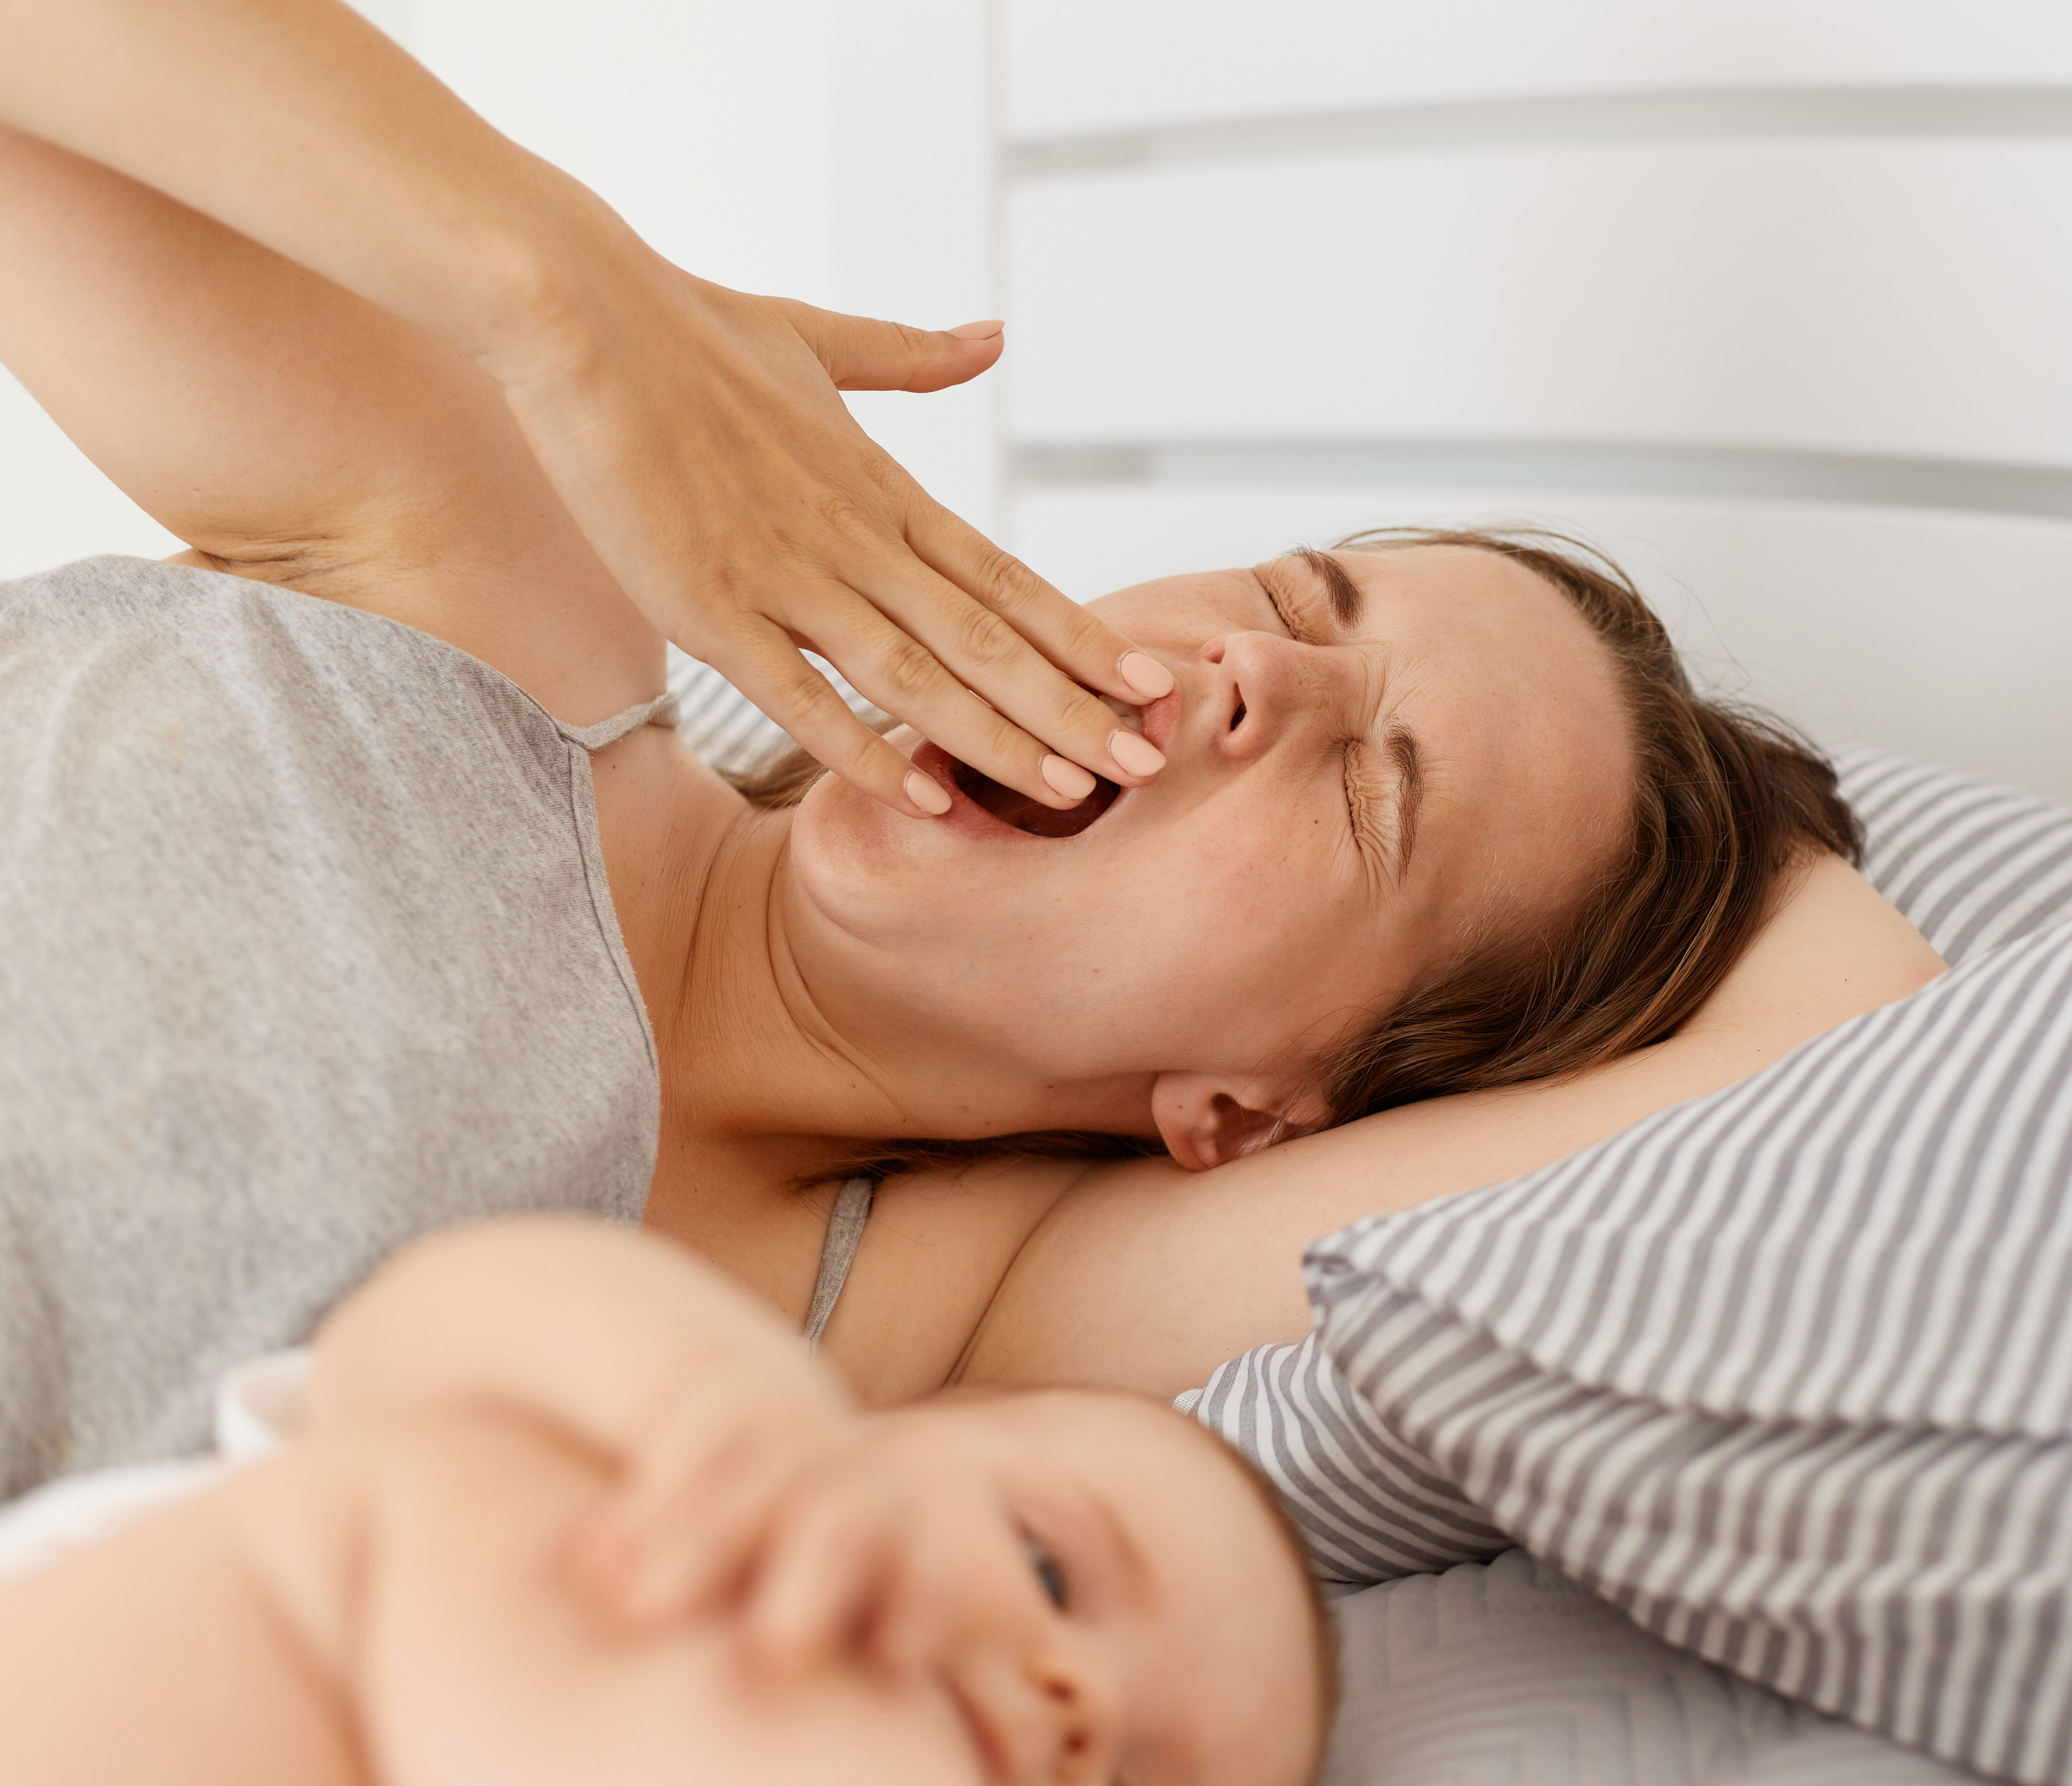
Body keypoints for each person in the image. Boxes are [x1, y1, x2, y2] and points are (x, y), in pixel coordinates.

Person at [0, 0, 1949, 1493]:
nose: (1252, 681)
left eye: (1375, 794)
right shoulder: (497, 604)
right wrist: (559, 295)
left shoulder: (942, 1332)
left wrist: (1733, 833)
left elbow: (1856, 1048)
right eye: (1287, 606)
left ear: (1255, 1112)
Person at [0, 1215, 1332, 1786]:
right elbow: (417, 1320)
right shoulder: (576, 1455)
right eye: (1050, 1571)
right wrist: (721, 1389)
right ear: (867, 1427)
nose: (1081, 1705)